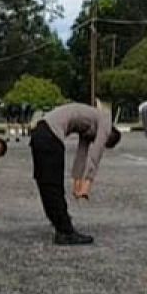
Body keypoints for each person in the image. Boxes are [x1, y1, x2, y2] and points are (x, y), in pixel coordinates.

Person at [30, 103, 122, 246]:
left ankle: (59, 222)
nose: (98, 141)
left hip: (40, 133)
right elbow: (96, 153)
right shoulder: (105, 121)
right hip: (50, 135)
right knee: (53, 186)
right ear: (109, 134)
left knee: (46, 183)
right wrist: (87, 183)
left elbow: (81, 154)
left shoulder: (88, 126)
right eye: (105, 142)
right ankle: (65, 232)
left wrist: (77, 183)